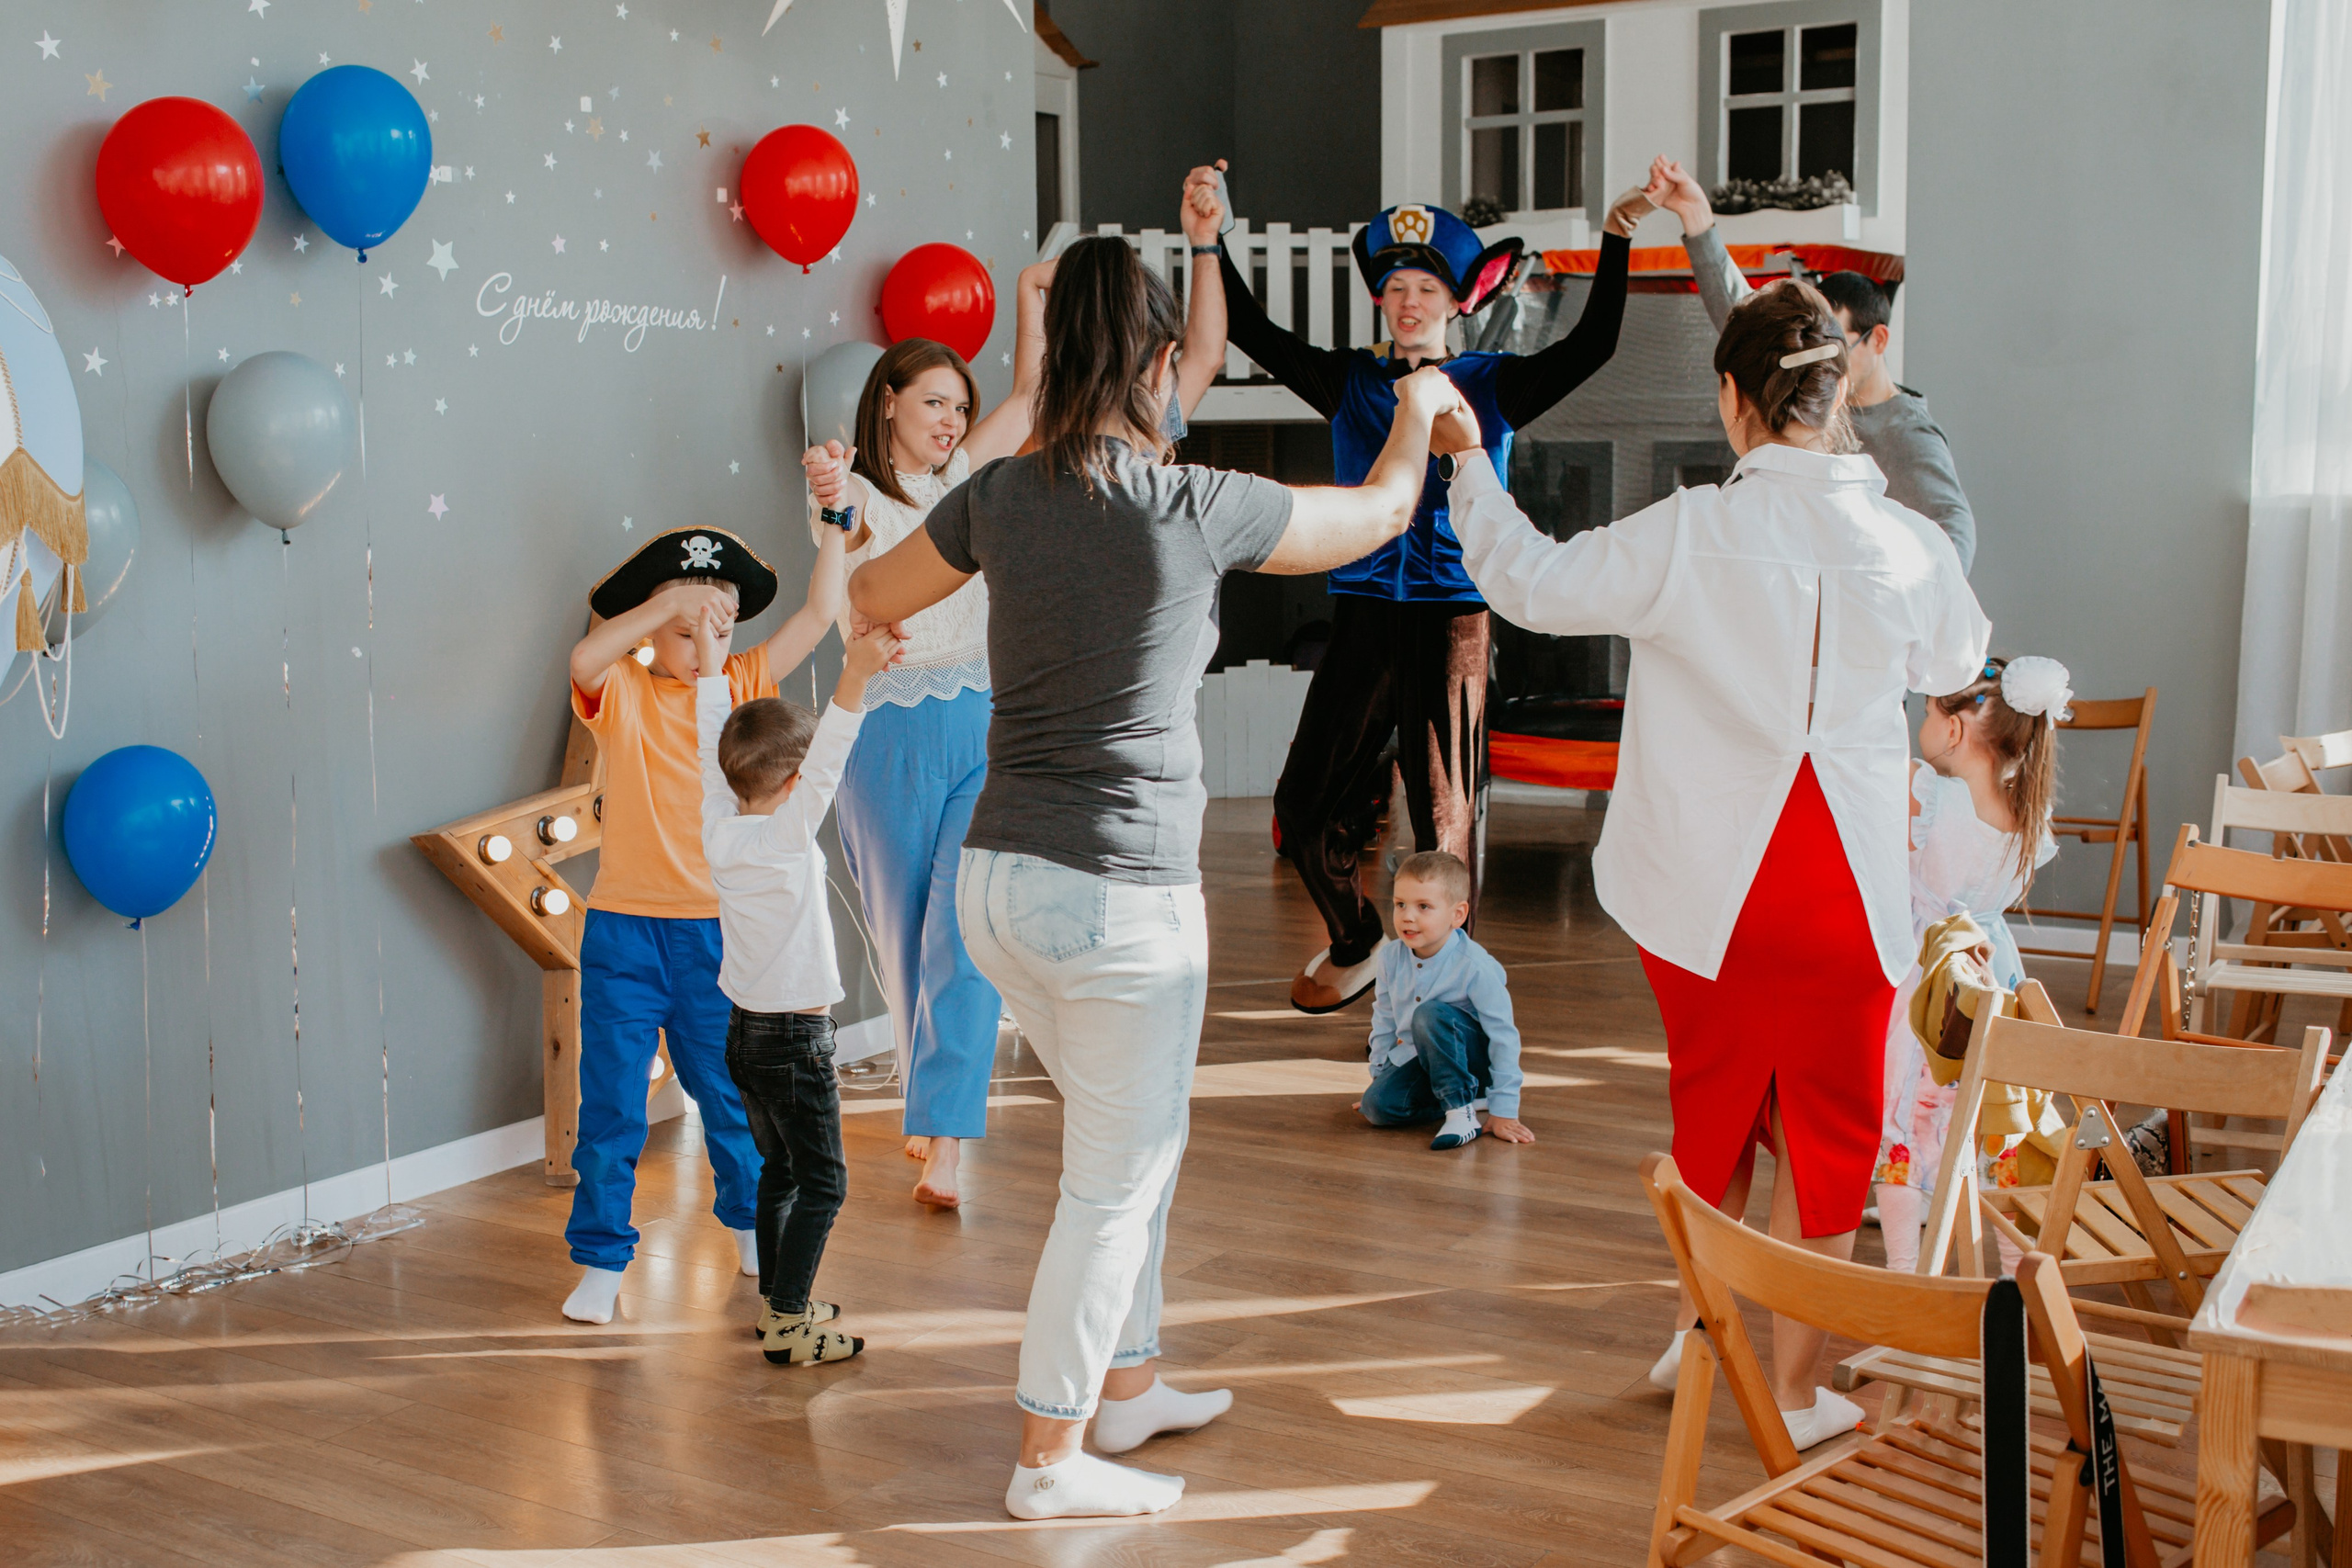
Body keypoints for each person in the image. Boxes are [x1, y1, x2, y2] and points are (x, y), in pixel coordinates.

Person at [847, 234, 1471, 1519]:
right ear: (1147, 358)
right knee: (1112, 1178)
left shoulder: (999, 495)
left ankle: (1127, 1381)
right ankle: (1047, 1456)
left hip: (1000, 885)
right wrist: (1414, 406)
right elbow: (1385, 514)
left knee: (1131, 1141)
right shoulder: (1197, 500)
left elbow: (870, 589)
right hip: (1118, 897)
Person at [1435, 280, 1989, 1450]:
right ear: (1837, 401)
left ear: (1732, 399)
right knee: (1831, 1136)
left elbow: (1528, 581)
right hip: (1846, 887)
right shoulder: (1908, 540)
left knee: (1715, 1118)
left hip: (1709, 891)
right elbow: (1956, 656)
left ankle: (1705, 1337)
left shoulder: (1690, 529)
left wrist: (1465, 467)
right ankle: (1790, 1390)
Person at [804, 166, 1230, 1211]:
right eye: (932, 403)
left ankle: (946, 1134)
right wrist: (827, 502)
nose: (951, 419)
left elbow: (1036, 396)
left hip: (980, 718)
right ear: (887, 405)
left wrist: (1037, 299)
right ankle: (929, 1102)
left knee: (956, 927)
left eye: (961, 403)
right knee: (899, 933)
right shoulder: (853, 489)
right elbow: (846, 567)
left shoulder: (981, 484)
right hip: (881, 735)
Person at [1216, 186, 1644, 1016]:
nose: (1410, 303)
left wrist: (1615, 237)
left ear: (1457, 301)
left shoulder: (1493, 383)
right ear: (1380, 297)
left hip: (1455, 618)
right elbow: (1252, 331)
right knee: (1303, 804)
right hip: (1365, 617)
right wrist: (1213, 237)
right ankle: (1357, 940)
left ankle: (1444, 1000)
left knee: (1442, 823)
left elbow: (1594, 346)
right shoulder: (1349, 381)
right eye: (1397, 288)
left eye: (1428, 289)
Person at [559, 524, 850, 1325]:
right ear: (651, 632)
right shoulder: (622, 687)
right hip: (624, 931)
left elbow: (823, 609)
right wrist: (665, 607)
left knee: (730, 1099)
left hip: (718, 938)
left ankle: (753, 1225)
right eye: (681, 632)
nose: (699, 645)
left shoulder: (744, 680)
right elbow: (584, 662)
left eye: (716, 627)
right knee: (612, 1105)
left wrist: (834, 519)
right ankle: (599, 1260)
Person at [691, 598, 902, 1365]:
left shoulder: (723, 822)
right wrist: (856, 672)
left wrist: (714, 669)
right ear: (789, 784)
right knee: (824, 1184)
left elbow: (706, 748)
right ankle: (788, 1322)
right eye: (803, 775)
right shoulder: (783, 833)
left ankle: (780, 1298)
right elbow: (833, 755)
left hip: (745, 1035)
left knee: (779, 1169)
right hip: (794, 1040)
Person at [1642, 155, 1978, 572]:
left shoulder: (1907, 432)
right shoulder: (1804, 378)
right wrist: (1695, 216)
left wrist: (1907, 601)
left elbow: (1955, 532)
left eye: (1836, 348)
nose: (1822, 359)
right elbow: (1740, 310)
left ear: (1879, 340)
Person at [1873, 655, 2065, 1272]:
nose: (1921, 723)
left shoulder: (1925, 794)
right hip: (1995, 977)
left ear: (1954, 730)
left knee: (1907, 1117)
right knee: (1993, 1127)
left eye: (1927, 710)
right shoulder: (2025, 814)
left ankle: (1906, 1271)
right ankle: (2012, 1275)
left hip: (1928, 983)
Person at [1353, 850, 1531, 1151]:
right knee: (1377, 1109)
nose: (1408, 916)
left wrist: (1504, 1110)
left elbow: (1504, 1038)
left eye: (1424, 906)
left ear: (1457, 915)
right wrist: (1380, 1080)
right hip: (1424, 1058)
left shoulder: (1475, 967)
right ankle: (1467, 1100)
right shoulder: (1390, 958)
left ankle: (1461, 1111)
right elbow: (1383, 1018)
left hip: (1474, 1062)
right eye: (1400, 905)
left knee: (1429, 1015)